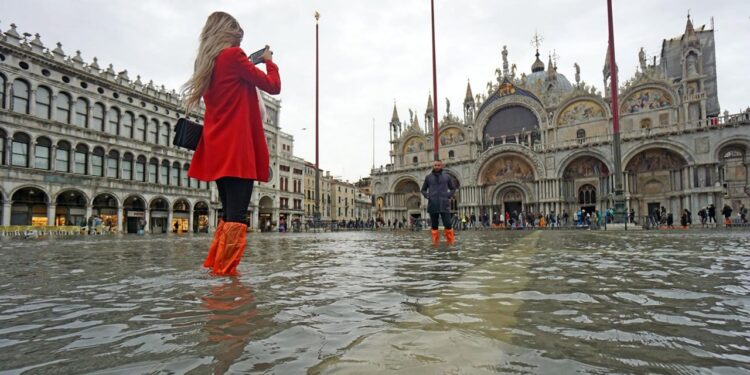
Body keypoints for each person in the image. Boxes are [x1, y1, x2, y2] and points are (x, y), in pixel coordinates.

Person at [184, 12, 281, 276]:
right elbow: (273, 86)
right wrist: (269, 62)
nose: (240, 39)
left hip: (216, 147)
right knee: (236, 217)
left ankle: (217, 271)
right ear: (228, 32)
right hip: (237, 148)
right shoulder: (233, 57)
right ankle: (226, 279)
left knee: (228, 214)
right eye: (237, 33)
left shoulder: (205, 63)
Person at [421, 160, 457, 245]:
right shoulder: (428, 177)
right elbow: (423, 190)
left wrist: (447, 195)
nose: (437, 167)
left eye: (438, 165)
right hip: (432, 204)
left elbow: (453, 188)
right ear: (433, 166)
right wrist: (428, 196)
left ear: (441, 166)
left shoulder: (447, 177)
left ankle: (450, 242)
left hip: (444, 204)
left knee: (448, 224)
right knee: (434, 226)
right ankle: (435, 243)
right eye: (435, 165)